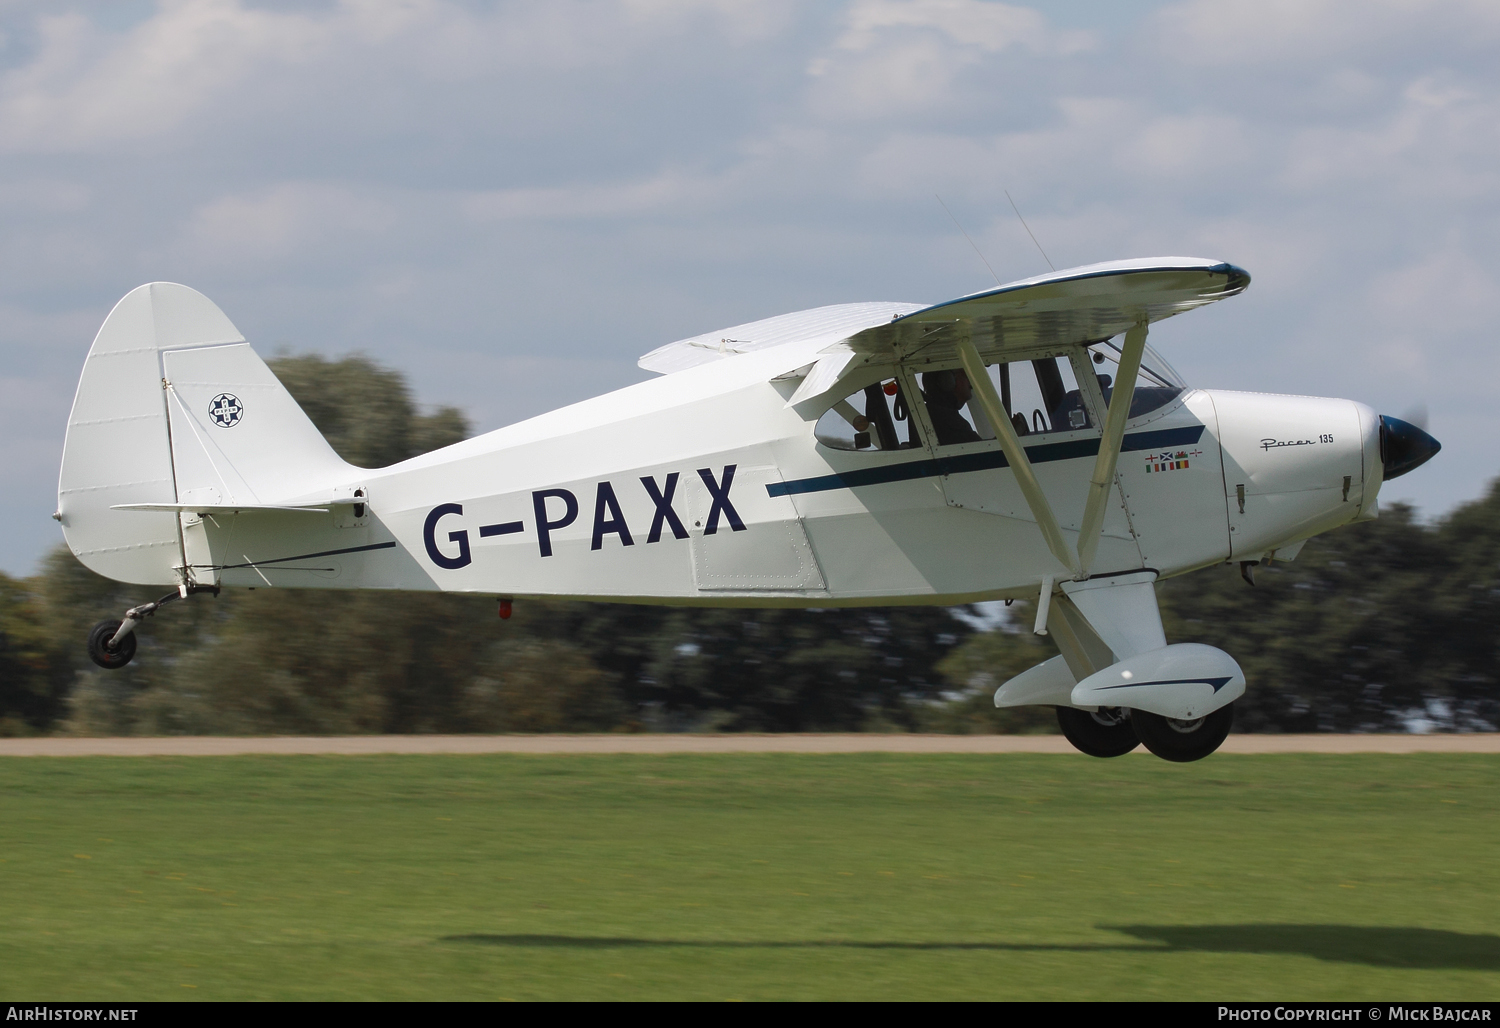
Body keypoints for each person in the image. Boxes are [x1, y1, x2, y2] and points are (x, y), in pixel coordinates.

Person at [921, 369, 981, 446]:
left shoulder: (934, 412)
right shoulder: (945, 418)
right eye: (965, 375)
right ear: (948, 380)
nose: (971, 382)